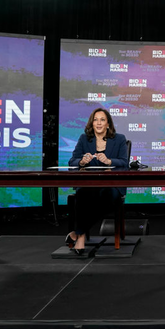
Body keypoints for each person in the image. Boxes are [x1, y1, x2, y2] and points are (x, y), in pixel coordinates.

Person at [66, 108, 129, 255]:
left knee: (106, 196)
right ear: (91, 123)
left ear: (108, 124)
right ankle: (80, 237)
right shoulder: (84, 138)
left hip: (112, 185)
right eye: (95, 120)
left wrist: (109, 161)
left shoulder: (119, 139)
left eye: (102, 120)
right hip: (90, 183)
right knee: (82, 193)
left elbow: (124, 163)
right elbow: (72, 161)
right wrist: (82, 161)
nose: (98, 123)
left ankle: (78, 234)